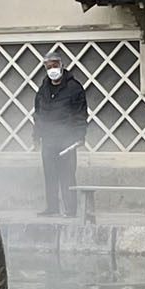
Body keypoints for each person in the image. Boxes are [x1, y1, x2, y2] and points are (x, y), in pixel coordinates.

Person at [32, 55, 88, 216]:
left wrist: (79, 135)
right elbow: (38, 114)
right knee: (50, 175)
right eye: (48, 67)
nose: (52, 70)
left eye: (55, 66)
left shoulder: (74, 88)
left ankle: (70, 209)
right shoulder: (43, 89)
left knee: (67, 175)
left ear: (62, 66)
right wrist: (37, 135)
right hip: (48, 139)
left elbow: (80, 114)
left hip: (67, 140)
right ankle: (52, 208)